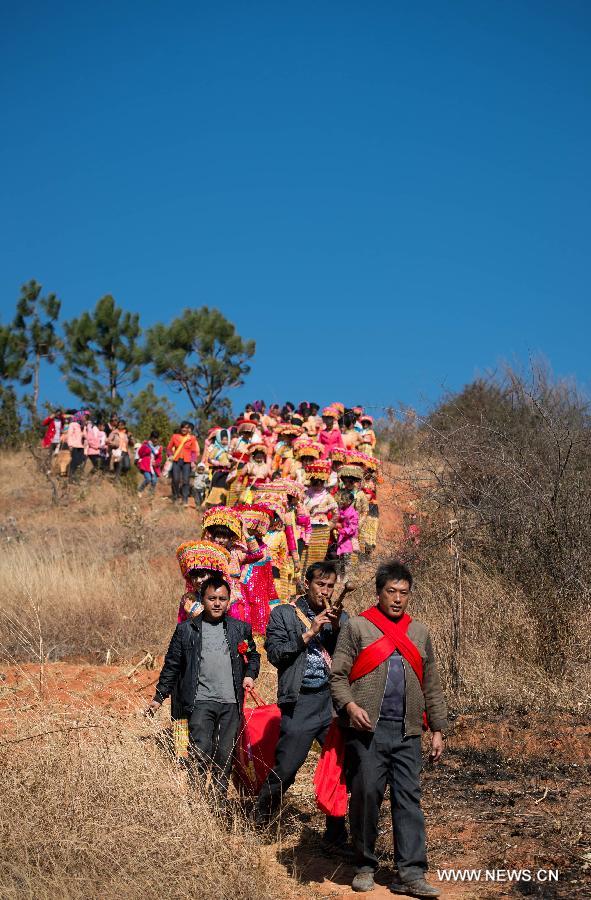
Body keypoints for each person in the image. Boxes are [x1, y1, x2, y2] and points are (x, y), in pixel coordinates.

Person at [330, 560, 447, 896]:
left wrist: (437, 728)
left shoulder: (420, 633)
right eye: (391, 591)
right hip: (367, 732)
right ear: (378, 592)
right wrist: (351, 707)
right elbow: (337, 676)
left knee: (408, 799)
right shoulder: (358, 628)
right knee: (366, 794)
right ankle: (365, 864)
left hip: (408, 731)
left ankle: (411, 873)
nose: (397, 598)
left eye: (404, 593)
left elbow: (432, 685)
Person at [255, 561, 348, 849]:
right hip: (300, 701)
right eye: (320, 584)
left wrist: (337, 627)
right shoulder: (283, 614)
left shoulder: (337, 616)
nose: (326, 591)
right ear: (305, 584)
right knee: (287, 767)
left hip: (330, 700)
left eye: (331, 586)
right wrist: (309, 632)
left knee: (339, 766)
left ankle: (336, 834)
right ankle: (261, 819)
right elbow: (276, 654)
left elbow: (348, 654)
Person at [147, 575, 260, 798]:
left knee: (225, 754)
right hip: (200, 701)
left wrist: (250, 674)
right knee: (201, 749)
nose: (217, 603)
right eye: (212, 598)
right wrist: (159, 697)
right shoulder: (186, 630)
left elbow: (253, 656)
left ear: (229, 601)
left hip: (230, 702)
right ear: (203, 599)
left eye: (222, 599)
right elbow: (172, 664)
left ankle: (217, 802)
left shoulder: (240, 629)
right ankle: (198, 799)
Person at [167, 421, 200, 506]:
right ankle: (175, 497)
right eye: (183, 427)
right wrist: (170, 455)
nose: (184, 429)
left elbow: (193, 451)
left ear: (188, 429)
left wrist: (193, 461)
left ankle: (185, 500)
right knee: (176, 479)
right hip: (176, 461)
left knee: (186, 481)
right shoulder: (175, 436)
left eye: (186, 428)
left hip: (187, 462)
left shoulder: (192, 438)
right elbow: (169, 448)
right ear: (180, 428)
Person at [335, 490, 359, 578]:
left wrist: (341, 530)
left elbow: (353, 528)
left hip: (348, 539)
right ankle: (340, 577)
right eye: (341, 499)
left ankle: (347, 578)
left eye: (343, 499)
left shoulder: (353, 513)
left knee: (347, 558)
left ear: (349, 501)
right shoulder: (340, 509)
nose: (341, 501)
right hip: (340, 537)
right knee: (340, 558)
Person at [137, 430, 163, 495]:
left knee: (154, 481)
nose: (155, 439)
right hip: (146, 465)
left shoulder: (159, 448)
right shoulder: (146, 445)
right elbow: (140, 453)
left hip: (154, 467)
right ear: (151, 437)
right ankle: (140, 490)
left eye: (156, 438)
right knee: (148, 479)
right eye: (154, 438)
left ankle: (150, 495)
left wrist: (156, 463)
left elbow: (159, 458)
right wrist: (146, 447)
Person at [67, 411, 87, 480]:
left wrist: (84, 426)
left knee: (81, 460)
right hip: (74, 445)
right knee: (74, 461)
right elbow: (69, 435)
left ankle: (74, 475)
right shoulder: (72, 424)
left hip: (80, 446)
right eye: (84, 416)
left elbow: (85, 435)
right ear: (80, 416)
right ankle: (71, 476)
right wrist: (70, 445)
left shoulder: (82, 426)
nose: (85, 418)